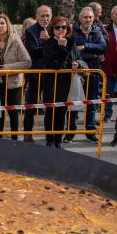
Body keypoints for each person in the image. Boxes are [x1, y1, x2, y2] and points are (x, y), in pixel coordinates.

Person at [0, 14, 31, 140]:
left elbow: (27, 62)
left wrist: (7, 69)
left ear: (7, 25)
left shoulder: (15, 40)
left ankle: (14, 139)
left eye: (2, 23)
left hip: (13, 82)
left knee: (13, 112)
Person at [40, 16, 83, 147]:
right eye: (57, 27)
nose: (60, 30)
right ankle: (49, 140)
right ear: (52, 29)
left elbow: (78, 59)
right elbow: (54, 65)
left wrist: (78, 65)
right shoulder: (49, 44)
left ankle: (58, 140)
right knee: (50, 112)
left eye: (63, 27)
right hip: (51, 82)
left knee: (61, 112)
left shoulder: (71, 42)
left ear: (68, 28)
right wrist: (61, 47)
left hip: (66, 82)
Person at [66, 6, 106, 142]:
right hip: (77, 72)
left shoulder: (97, 30)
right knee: (74, 102)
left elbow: (103, 47)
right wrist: (90, 53)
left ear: (93, 18)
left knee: (91, 102)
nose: (88, 19)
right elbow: (72, 50)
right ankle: (70, 132)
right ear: (80, 18)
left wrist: (84, 47)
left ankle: (90, 132)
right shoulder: (73, 31)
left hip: (93, 71)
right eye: (85, 17)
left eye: (90, 17)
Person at [22, 5, 53, 141]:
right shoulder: (31, 31)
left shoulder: (55, 29)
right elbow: (35, 51)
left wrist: (49, 40)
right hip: (36, 74)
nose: (45, 18)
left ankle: (49, 135)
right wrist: (50, 43)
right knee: (31, 105)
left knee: (50, 106)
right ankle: (27, 134)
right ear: (37, 16)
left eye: (47, 15)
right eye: (42, 15)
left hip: (52, 73)